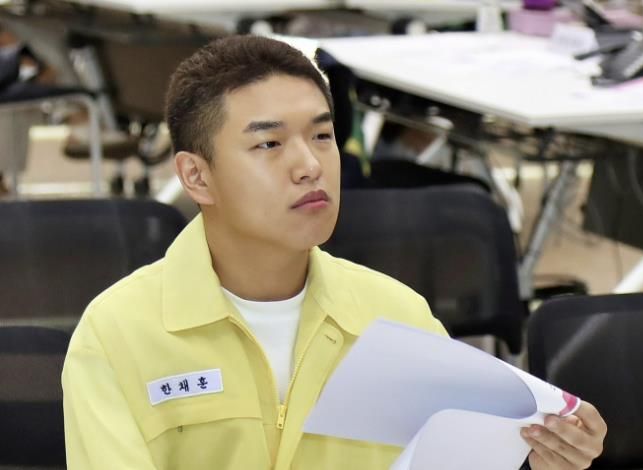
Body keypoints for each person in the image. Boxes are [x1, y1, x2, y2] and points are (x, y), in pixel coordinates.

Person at [62, 35, 606, 470]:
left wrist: (544, 459)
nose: (309, 165)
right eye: (269, 144)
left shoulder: (398, 317)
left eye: (322, 137)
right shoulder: (118, 335)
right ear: (196, 176)